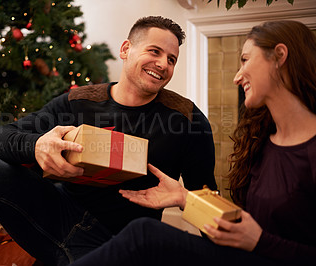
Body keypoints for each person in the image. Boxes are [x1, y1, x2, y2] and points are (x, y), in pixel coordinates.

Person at [0, 16, 217, 265]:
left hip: (114, 243)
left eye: (172, 59)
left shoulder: (187, 119)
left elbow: (208, 200)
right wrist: (36, 146)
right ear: (126, 49)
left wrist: (185, 198)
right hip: (55, 216)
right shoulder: (78, 101)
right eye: (154, 51)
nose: (163, 64)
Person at [70, 20, 316, 266]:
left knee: (143, 234)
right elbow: (245, 229)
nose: (237, 76)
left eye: (245, 60)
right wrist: (185, 198)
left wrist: (260, 242)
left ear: (279, 56)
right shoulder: (262, 142)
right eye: (154, 51)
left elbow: (258, 238)